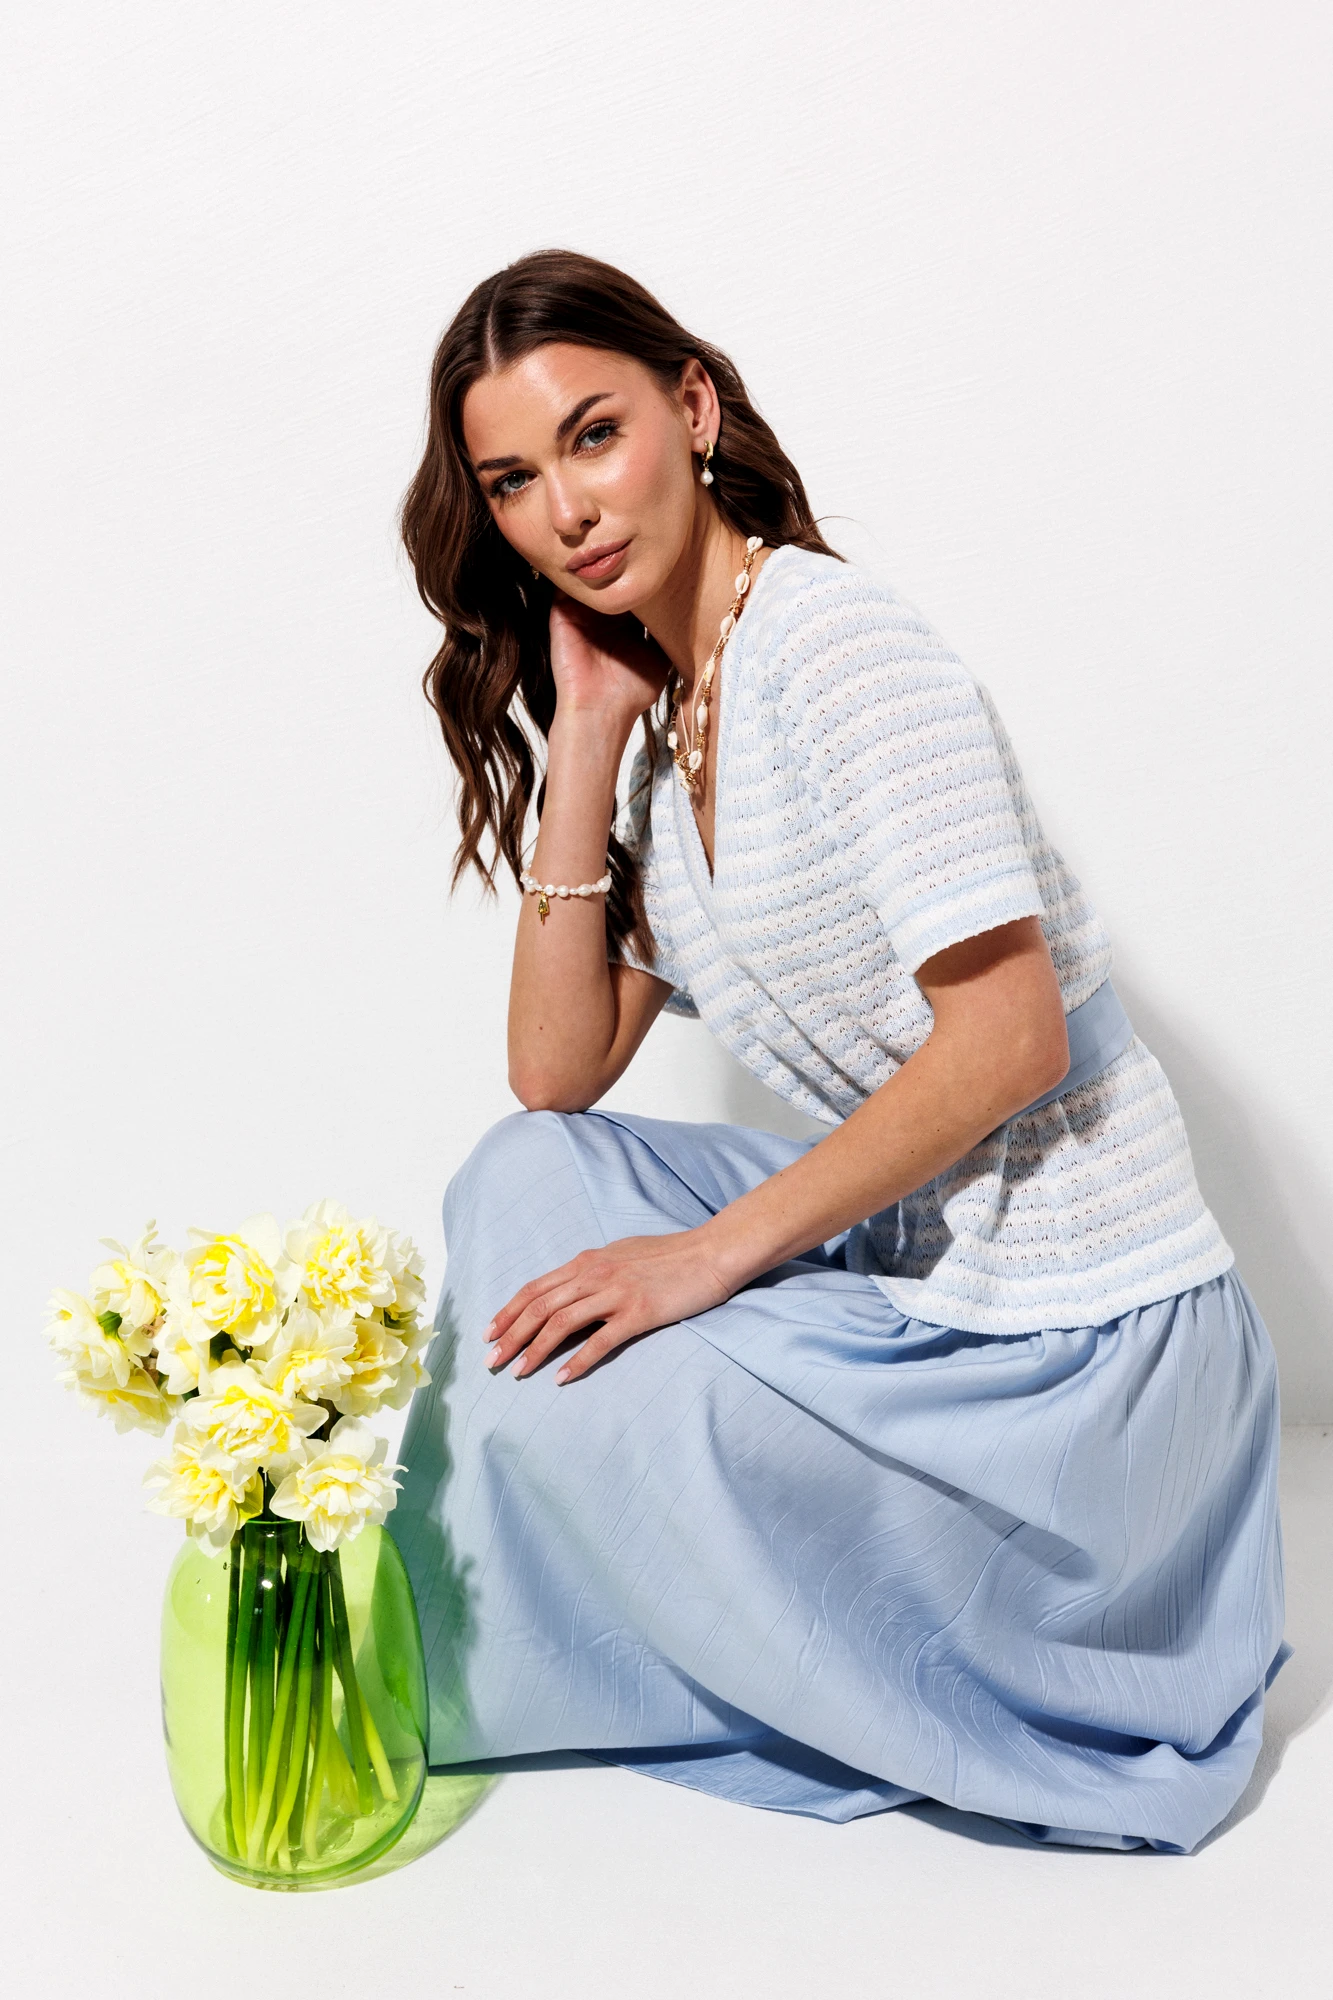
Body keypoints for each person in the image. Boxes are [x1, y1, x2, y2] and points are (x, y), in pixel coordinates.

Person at [391, 248, 1285, 1852]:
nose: (566, 512)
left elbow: (1009, 1038)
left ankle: (668, 1618)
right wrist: (584, 730)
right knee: (531, 1173)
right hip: (923, 1258)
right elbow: (554, 1074)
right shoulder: (674, 716)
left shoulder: (838, 648)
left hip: (1079, 1348)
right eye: (515, 482)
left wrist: (700, 1263)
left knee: (630, 1374)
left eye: (594, 436)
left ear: (692, 408)